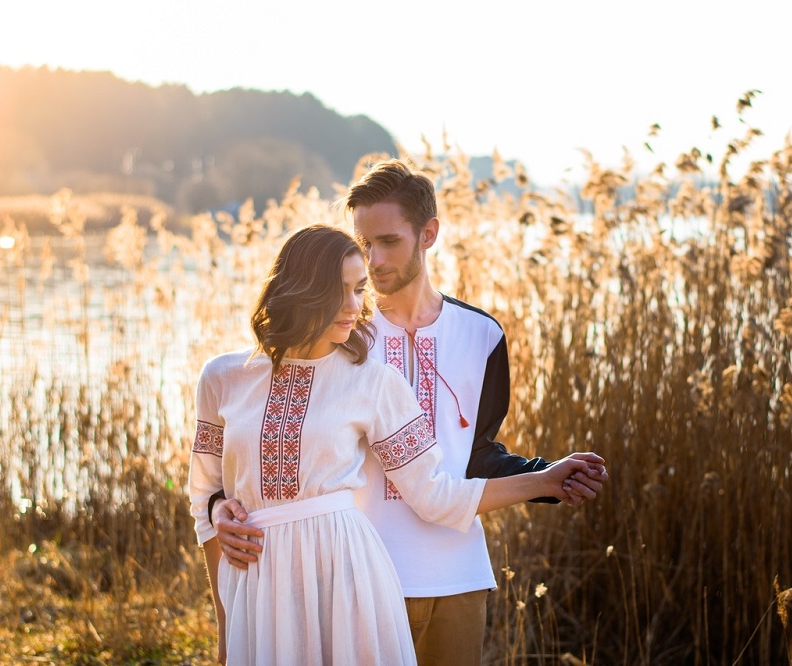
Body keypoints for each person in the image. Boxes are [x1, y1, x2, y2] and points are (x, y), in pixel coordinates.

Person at [210, 160, 610, 665]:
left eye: (388, 242)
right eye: (363, 244)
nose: (373, 260)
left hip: (457, 576)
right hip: (355, 578)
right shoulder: (340, 335)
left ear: (429, 234)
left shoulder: (483, 336)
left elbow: (476, 454)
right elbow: (268, 435)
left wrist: (546, 476)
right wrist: (221, 506)